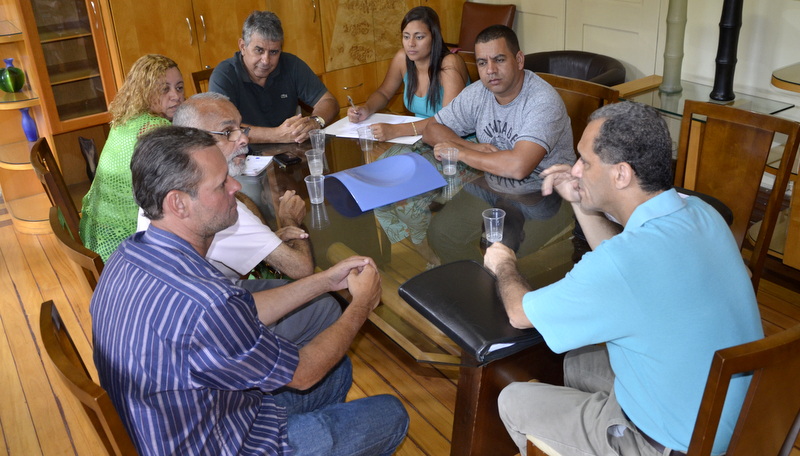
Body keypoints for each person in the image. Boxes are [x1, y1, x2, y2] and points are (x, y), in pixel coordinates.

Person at [91, 126, 409, 455]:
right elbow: (302, 373)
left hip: (174, 425)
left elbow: (242, 310)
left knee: (338, 371)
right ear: (179, 204)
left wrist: (324, 280)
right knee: (391, 413)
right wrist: (361, 305)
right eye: (220, 183)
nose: (235, 186)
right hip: (219, 444)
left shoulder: (128, 255)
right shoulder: (207, 304)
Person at [484, 102, 764, 456]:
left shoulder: (622, 265)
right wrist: (580, 200)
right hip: (739, 414)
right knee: (577, 360)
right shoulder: (700, 212)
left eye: (585, 161)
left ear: (621, 174)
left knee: (513, 400)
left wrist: (503, 263)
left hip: (675, 445)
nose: (575, 169)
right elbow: (623, 260)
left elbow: (520, 314)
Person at [137, 92, 339, 347]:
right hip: (208, 326)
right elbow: (300, 269)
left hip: (179, 309)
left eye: (241, 127)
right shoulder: (215, 208)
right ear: (194, 139)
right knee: (324, 305)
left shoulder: (161, 180)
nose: (244, 138)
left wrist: (268, 237)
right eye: (228, 131)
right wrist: (290, 222)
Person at [422, 25, 574, 195]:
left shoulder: (542, 100)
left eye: (499, 60)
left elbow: (518, 167)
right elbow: (431, 129)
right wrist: (470, 147)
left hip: (546, 196)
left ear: (519, 60)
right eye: (482, 62)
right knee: (432, 213)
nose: (490, 70)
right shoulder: (478, 92)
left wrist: (461, 153)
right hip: (495, 187)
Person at [80, 54, 184, 261]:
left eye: (179, 87)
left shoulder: (126, 119)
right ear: (145, 92)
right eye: (165, 89)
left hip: (95, 233)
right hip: (122, 247)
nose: (176, 96)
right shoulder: (156, 128)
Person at [209, 10, 338, 144]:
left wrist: (316, 121)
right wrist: (276, 135)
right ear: (242, 46)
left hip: (290, 153)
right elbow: (224, 130)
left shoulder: (291, 64)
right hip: (245, 155)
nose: (266, 60)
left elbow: (328, 101)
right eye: (259, 50)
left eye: (274, 52)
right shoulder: (224, 75)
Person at [347, 6, 469, 141]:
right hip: (418, 138)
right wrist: (366, 108)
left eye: (419, 37)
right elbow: (384, 93)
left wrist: (396, 130)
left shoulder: (450, 63)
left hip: (453, 142)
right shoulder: (402, 58)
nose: (411, 43)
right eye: (406, 36)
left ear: (434, 37)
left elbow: (447, 120)